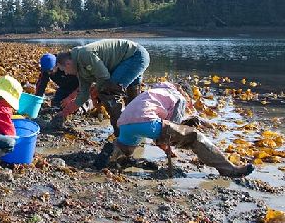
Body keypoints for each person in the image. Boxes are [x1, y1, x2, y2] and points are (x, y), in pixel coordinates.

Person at [109, 81, 254, 178]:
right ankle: (229, 169)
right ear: (184, 93)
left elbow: (160, 129)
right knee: (194, 137)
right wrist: (169, 149)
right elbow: (172, 127)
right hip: (146, 121)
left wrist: (166, 148)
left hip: (124, 123)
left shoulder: (154, 91)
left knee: (125, 149)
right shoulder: (178, 96)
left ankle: (110, 159)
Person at [55, 39, 150, 136]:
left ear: (68, 63)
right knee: (132, 100)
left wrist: (96, 92)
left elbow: (104, 76)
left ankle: (122, 136)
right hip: (125, 62)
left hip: (135, 56)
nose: (66, 73)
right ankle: (136, 132)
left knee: (109, 93)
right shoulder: (80, 71)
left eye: (64, 70)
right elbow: (83, 95)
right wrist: (64, 113)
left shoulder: (84, 54)